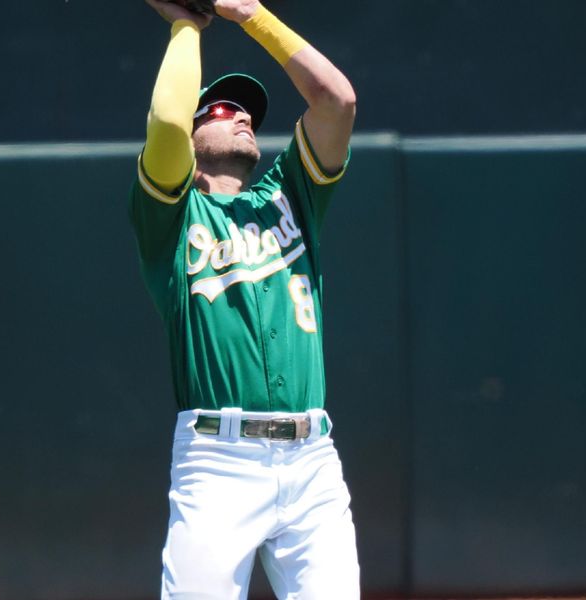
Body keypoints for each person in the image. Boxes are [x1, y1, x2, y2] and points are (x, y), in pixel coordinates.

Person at [129, 1, 359, 598]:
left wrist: (252, 15)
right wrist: (188, 26)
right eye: (219, 109)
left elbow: (337, 101)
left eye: (247, 111)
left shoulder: (291, 195)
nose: (239, 116)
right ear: (195, 133)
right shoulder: (173, 219)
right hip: (217, 460)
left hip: (312, 458)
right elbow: (167, 125)